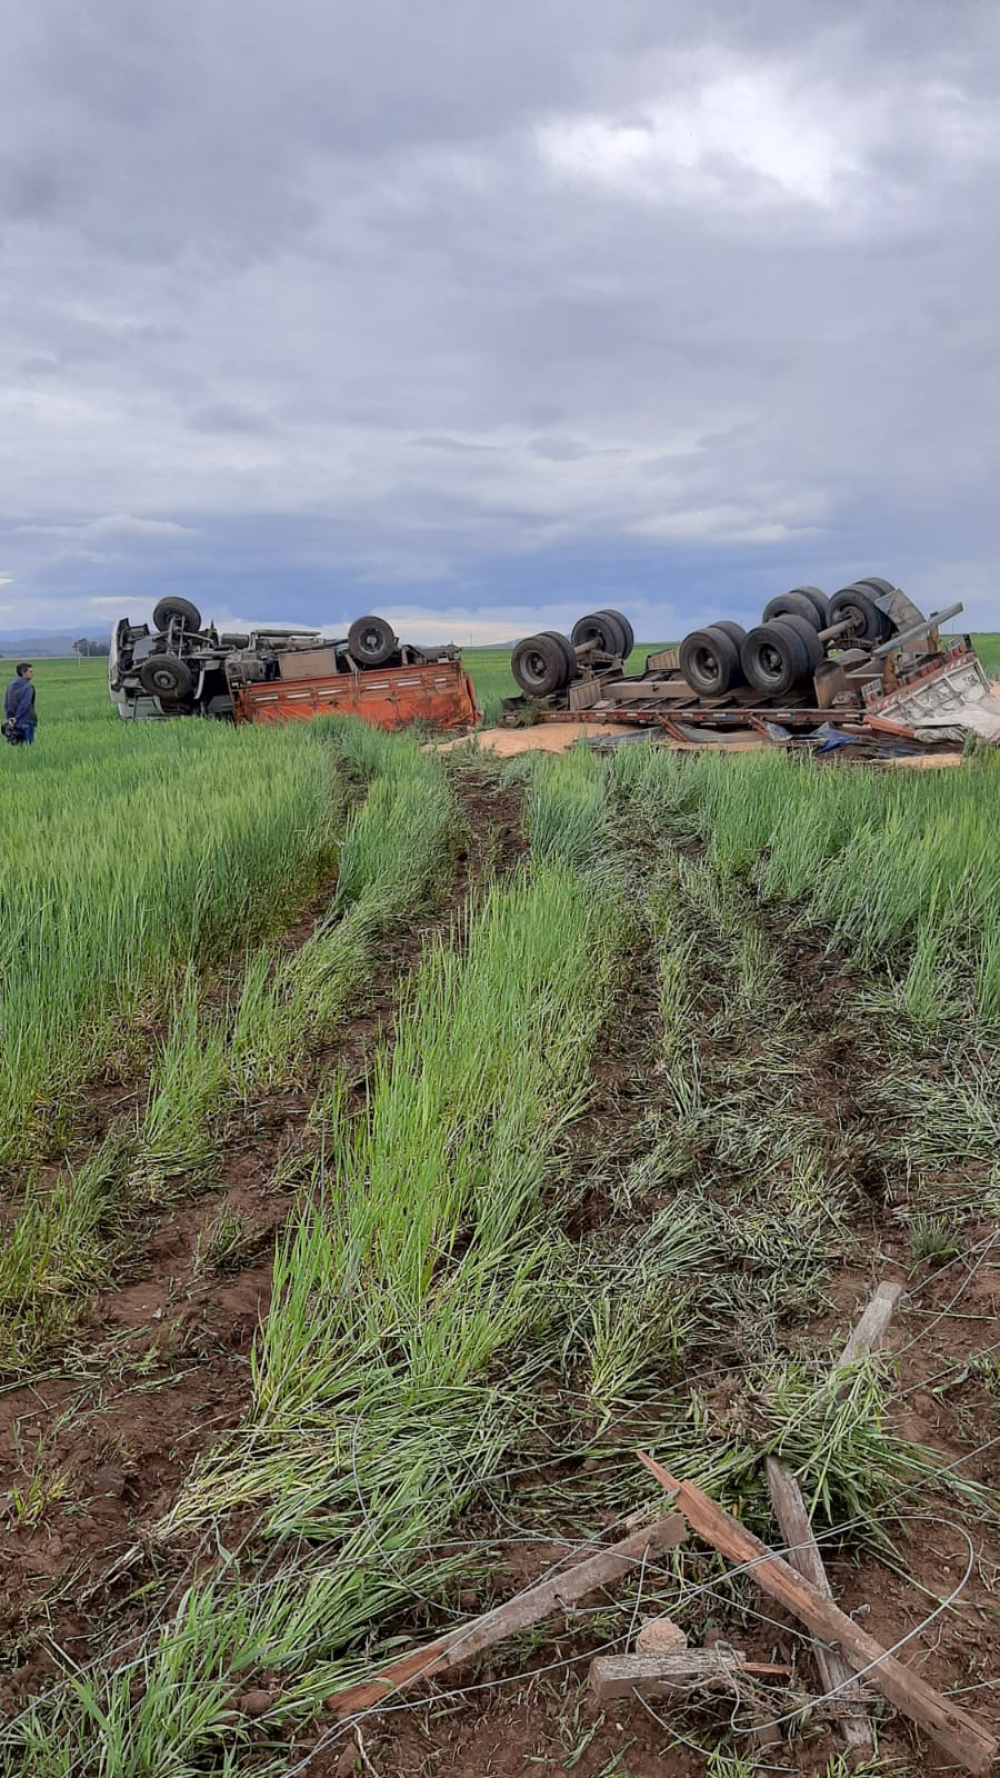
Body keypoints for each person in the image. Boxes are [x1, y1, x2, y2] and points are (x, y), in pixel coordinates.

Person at [4, 663, 37, 746]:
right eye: (30, 671)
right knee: (28, 748)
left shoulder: (10, 686)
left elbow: (6, 703)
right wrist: (16, 717)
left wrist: (10, 718)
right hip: (26, 720)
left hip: (13, 723)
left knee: (17, 748)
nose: (32, 673)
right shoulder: (28, 687)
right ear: (23, 672)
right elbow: (25, 704)